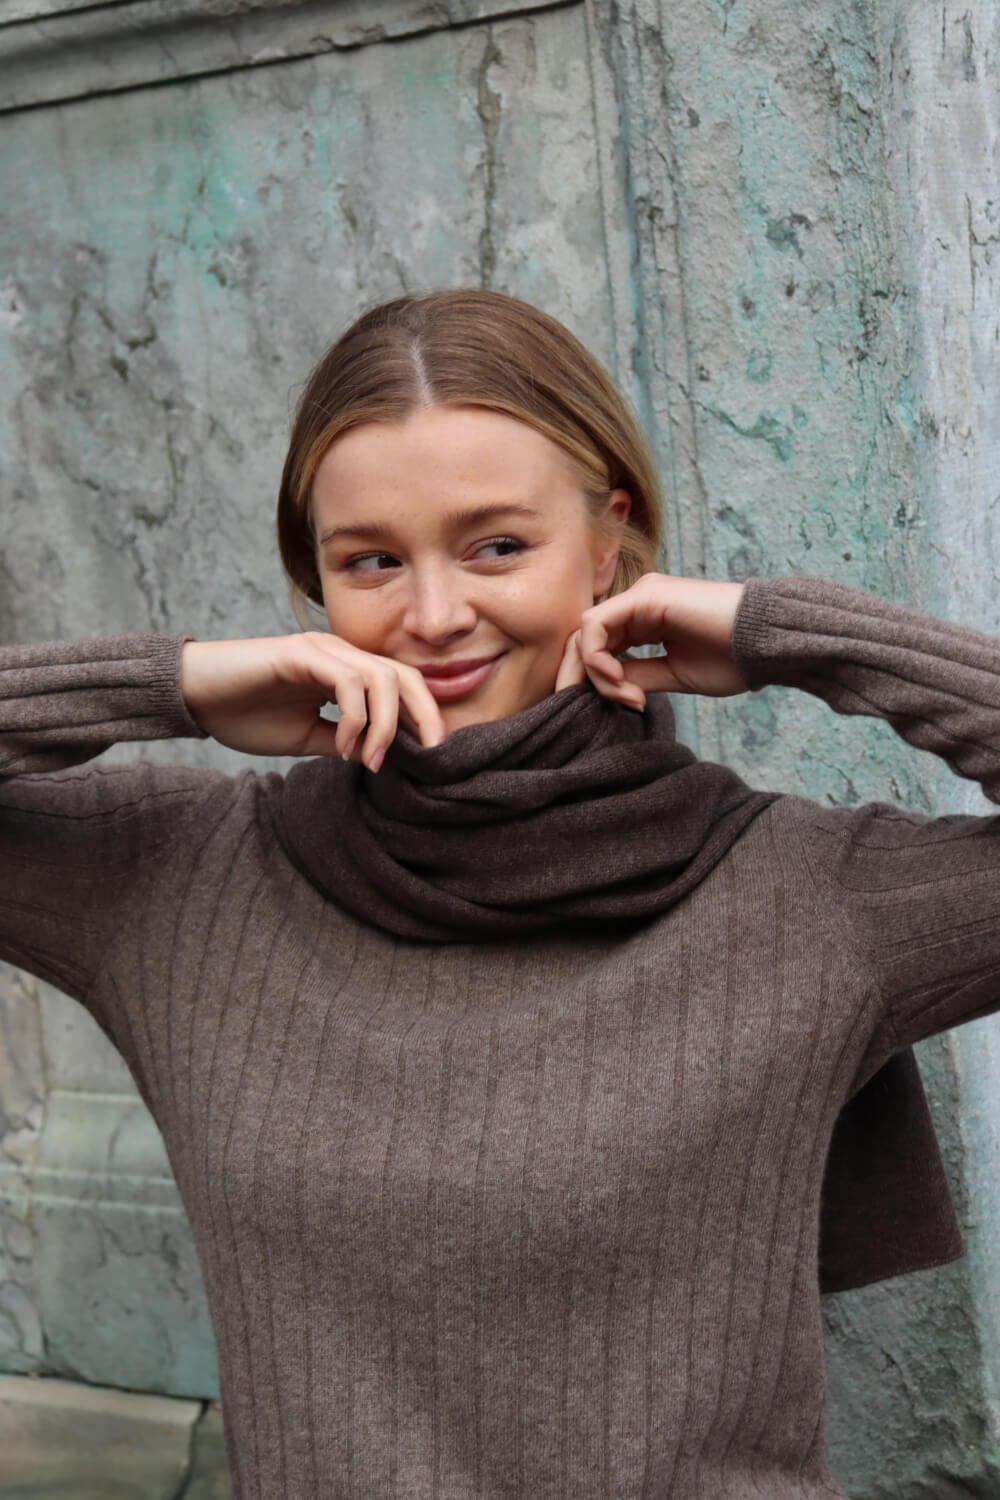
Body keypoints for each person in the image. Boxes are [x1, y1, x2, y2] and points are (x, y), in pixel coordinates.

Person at [1, 287, 997, 1499]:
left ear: (608, 539)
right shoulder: (178, 886)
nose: (433, 617)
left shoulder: (805, 900)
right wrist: (177, 684)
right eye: (371, 560)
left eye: (496, 546)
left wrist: (785, 632)